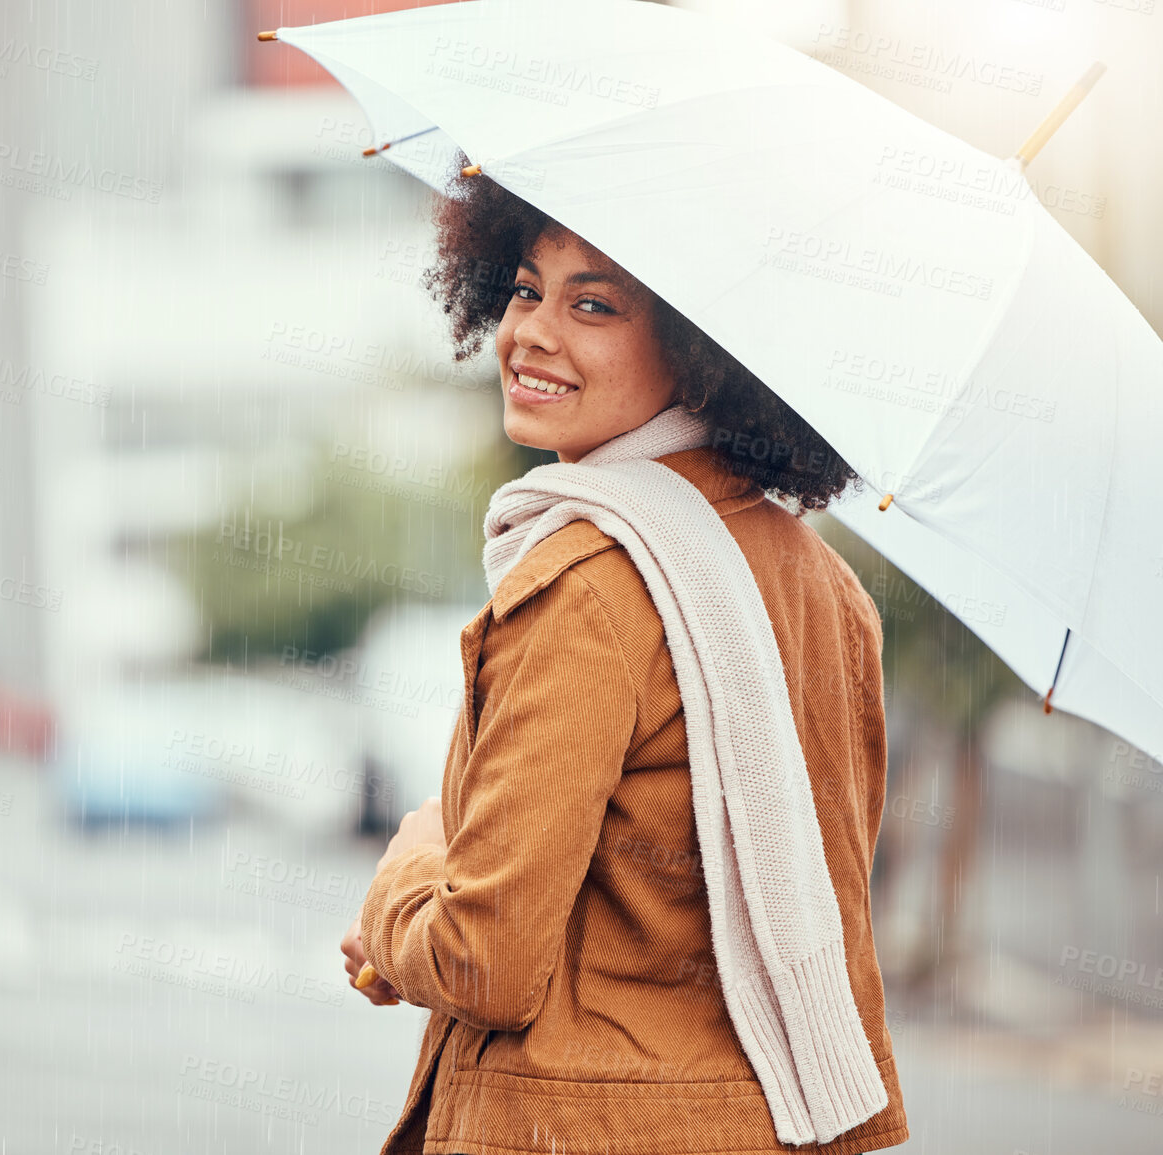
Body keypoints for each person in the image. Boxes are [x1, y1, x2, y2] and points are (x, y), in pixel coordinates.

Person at [338, 174, 909, 1154]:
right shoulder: (826, 590)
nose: (532, 333)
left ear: (700, 355)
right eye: (525, 289)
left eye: (593, 304)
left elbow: (486, 961)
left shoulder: (586, 583)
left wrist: (405, 877)